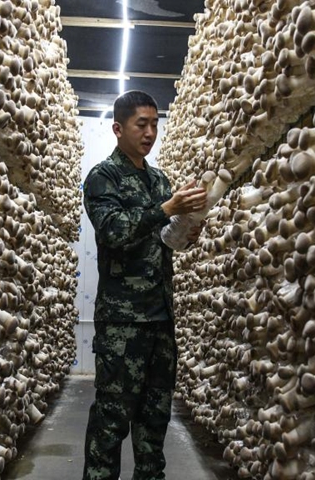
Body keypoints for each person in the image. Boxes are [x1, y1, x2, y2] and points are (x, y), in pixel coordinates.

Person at [81, 90, 207, 480]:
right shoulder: (104, 177)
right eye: (142, 124)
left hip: (159, 319)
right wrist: (167, 209)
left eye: (155, 123)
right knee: (112, 420)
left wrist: (188, 228)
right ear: (119, 128)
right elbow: (115, 231)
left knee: (154, 422)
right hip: (123, 323)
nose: (150, 132)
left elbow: (165, 239)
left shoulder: (158, 179)